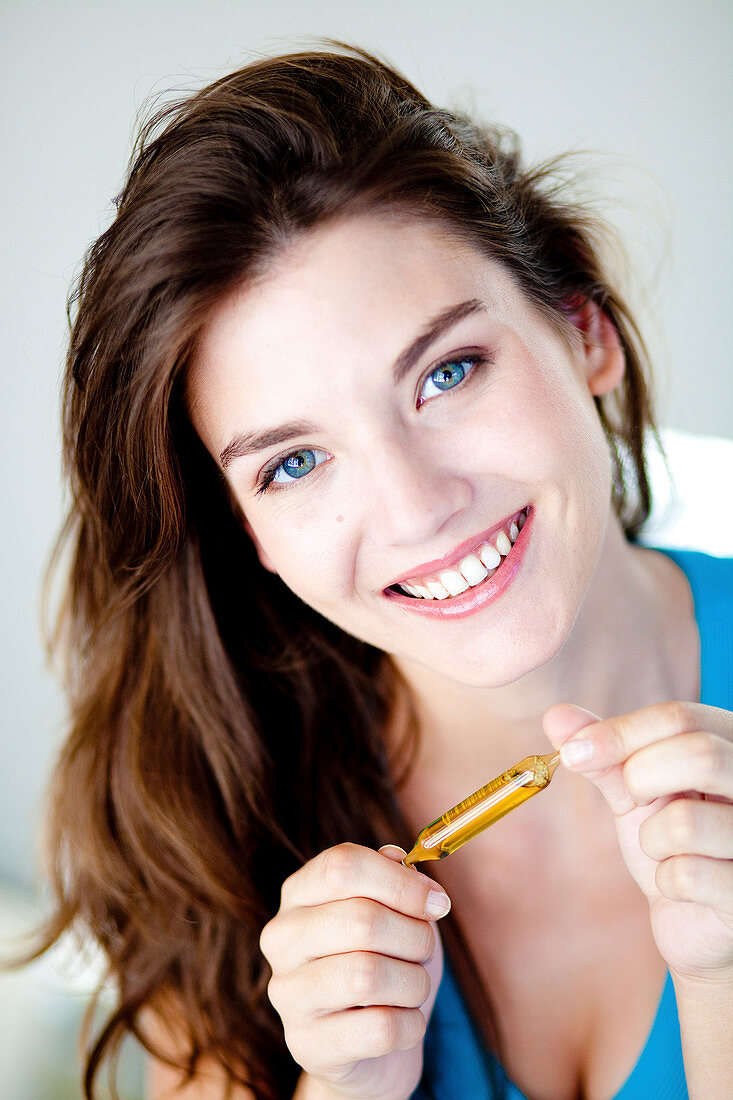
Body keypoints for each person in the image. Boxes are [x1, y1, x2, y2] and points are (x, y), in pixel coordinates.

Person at [34, 43, 732, 1100]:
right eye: (295, 463)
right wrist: (345, 1087)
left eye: (448, 372)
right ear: (247, 533)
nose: (416, 506)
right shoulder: (206, 833)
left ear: (582, 327)